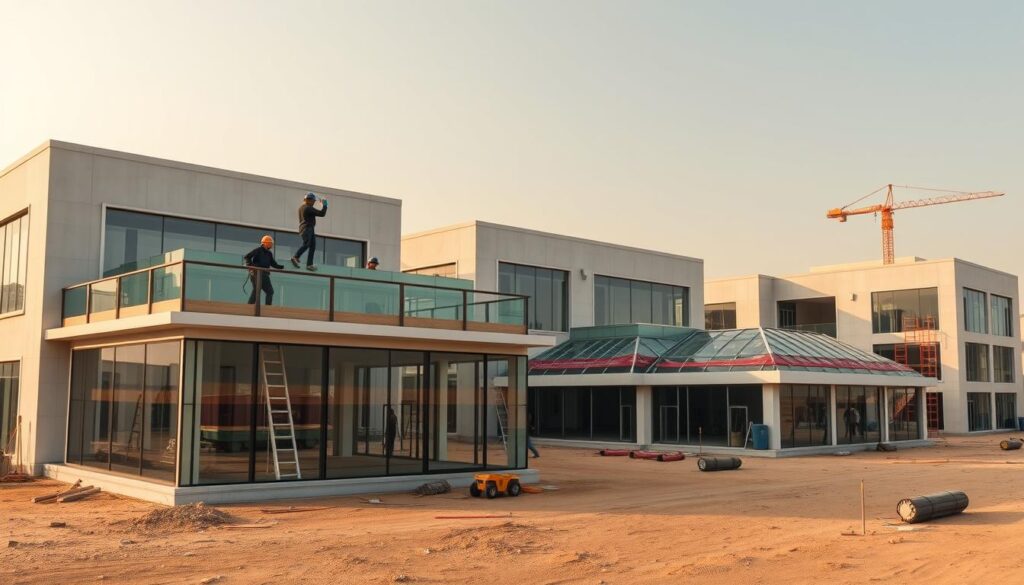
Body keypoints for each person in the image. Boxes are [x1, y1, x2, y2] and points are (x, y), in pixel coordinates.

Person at [291, 192, 328, 271]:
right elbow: (322, 213)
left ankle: (309, 264)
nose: (314, 203)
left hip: (306, 228)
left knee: (312, 246)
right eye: (313, 201)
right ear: (309, 200)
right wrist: (324, 205)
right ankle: (295, 257)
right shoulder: (308, 208)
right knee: (307, 244)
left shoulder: (301, 207)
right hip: (307, 228)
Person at [244, 235, 284, 305]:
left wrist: (282, 267)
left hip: (265, 274)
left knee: (269, 291)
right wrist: (252, 267)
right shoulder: (258, 250)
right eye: (270, 243)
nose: (271, 245)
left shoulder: (269, 253)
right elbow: (247, 257)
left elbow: (273, 264)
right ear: (266, 243)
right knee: (257, 290)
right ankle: (249, 307)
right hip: (256, 273)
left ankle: (267, 308)